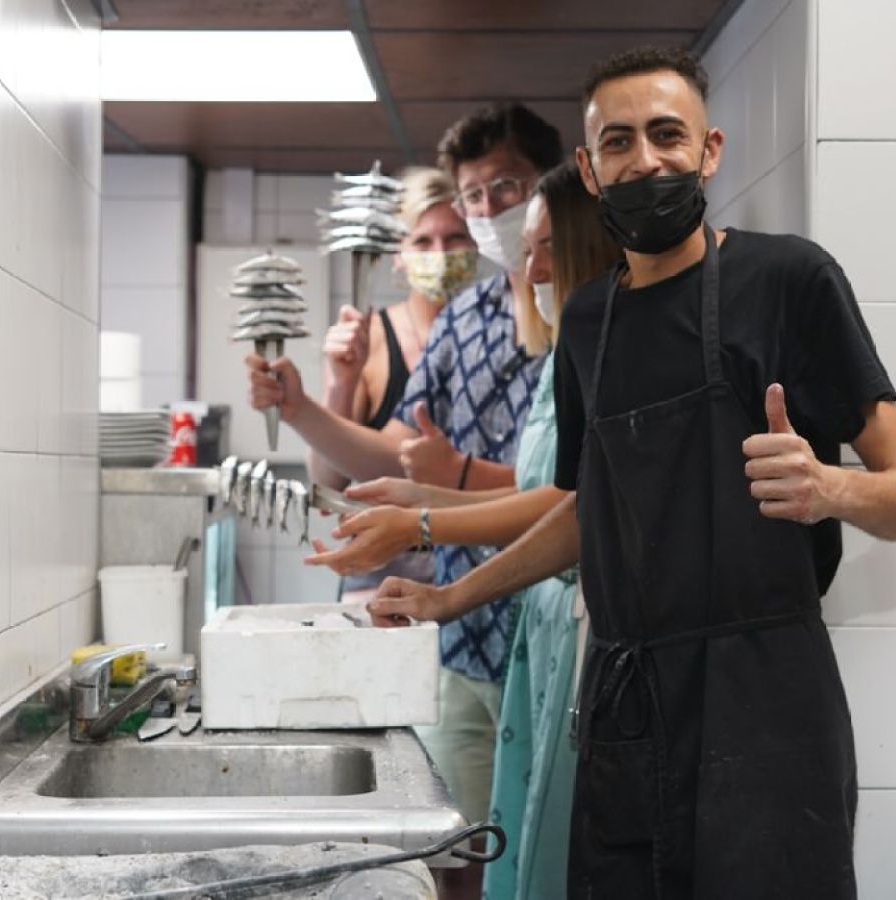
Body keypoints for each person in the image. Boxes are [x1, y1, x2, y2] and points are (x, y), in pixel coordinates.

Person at [367, 46, 896, 899]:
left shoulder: (789, 280)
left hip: (767, 698)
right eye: (620, 142)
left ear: (710, 150)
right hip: (626, 701)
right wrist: (449, 596)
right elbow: (586, 509)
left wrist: (833, 488)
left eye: (667, 136)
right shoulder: (590, 320)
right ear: (588, 170)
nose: (646, 161)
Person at [305, 161, 621, 900]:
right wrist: (420, 494)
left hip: (578, 630)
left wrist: (423, 522)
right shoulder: (561, 359)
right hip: (523, 638)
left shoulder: (607, 352)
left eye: (543, 247)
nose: (527, 265)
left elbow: (572, 506)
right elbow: (539, 487)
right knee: (506, 845)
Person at [247, 103, 564, 828]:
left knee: (539, 850)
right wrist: (303, 409)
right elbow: (400, 449)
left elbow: (574, 490)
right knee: (453, 847)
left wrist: (441, 488)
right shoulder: (465, 316)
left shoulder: (589, 313)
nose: (490, 210)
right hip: (458, 639)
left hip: (546, 626)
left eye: (508, 187)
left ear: (551, 183)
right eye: (474, 195)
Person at [309, 167, 478, 601]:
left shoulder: (501, 336)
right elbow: (326, 479)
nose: (439, 253)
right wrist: (341, 384)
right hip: (380, 578)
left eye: (454, 238)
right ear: (397, 253)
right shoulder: (371, 340)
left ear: (476, 243)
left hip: (478, 573)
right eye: (422, 240)